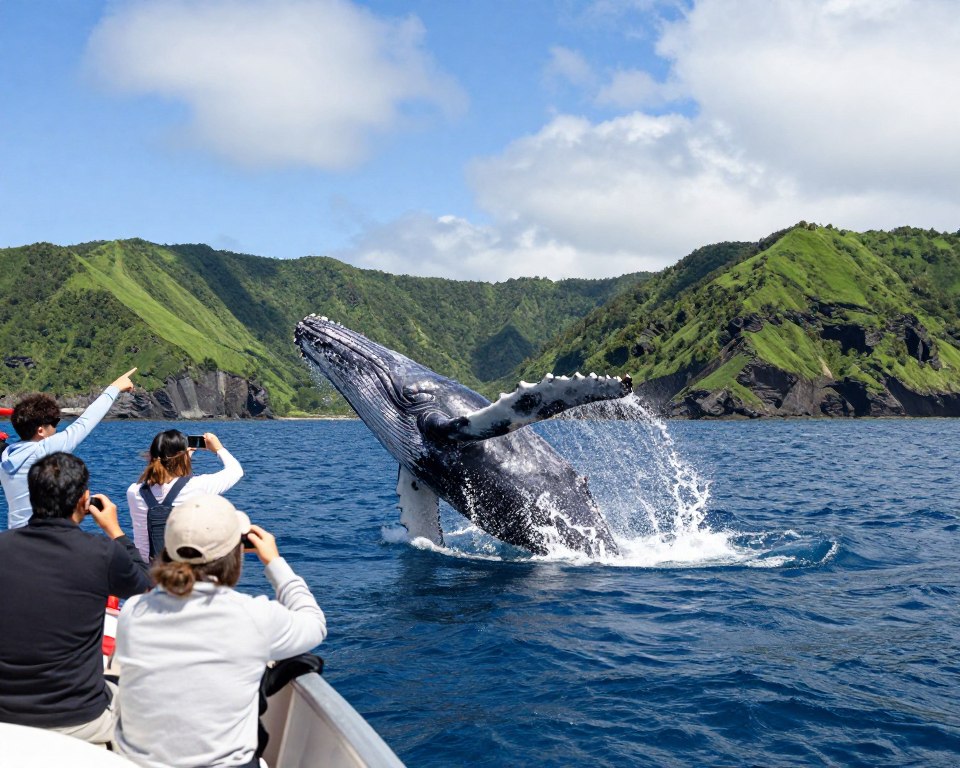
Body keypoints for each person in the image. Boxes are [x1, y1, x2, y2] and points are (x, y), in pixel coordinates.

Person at [114, 494, 327, 768]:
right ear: (237, 554)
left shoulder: (134, 611)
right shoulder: (251, 616)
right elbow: (314, 623)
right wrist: (274, 562)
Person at [0, 452, 150, 747]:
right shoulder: (102, 553)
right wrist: (115, 530)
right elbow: (144, 586)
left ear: (32, 496)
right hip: (78, 718)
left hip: (4, 716)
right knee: (141, 703)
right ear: (84, 501)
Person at [1, 368, 137, 529]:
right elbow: (85, 422)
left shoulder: (6, 458)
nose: (57, 429)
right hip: (42, 539)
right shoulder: (43, 450)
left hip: (15, 539)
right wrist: (114, 388)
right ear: (40, 431)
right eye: (55, 423)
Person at [126, 429, 243, 560]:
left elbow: (163, 480)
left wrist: (184, 457)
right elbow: (236, 471)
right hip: (182, 574)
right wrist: (219, 449)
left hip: (145, 574)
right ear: (183, 456)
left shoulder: (134, 492)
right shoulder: (197, 487)